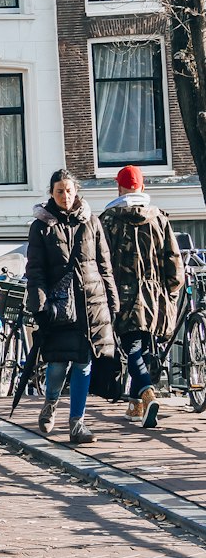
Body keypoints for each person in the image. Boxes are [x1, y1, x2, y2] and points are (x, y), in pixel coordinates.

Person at [27, 168, 119, 444]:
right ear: (51, 194)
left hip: (91, 304)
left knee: (83, 363)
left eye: (69, 190)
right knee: (57, 364)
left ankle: (77, 423)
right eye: (59, 191)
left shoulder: (91, 222)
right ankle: (51, 402)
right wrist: (40, 306)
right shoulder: (41, 227)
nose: (65, 196)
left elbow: (104, 264)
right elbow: (36, 270)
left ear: (76, 191)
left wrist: (112, 300)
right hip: (60, 306)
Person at [100, 164, 183, 428]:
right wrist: (172, 290)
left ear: (119, 187)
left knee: (131, 347)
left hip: (121, 294)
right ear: (143, 187)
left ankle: (146, 392)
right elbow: (173, 258)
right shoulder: (159, 218)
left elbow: (100, 260)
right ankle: (137, 407)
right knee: (145, 346)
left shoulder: (108, 220)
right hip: (154, 293)